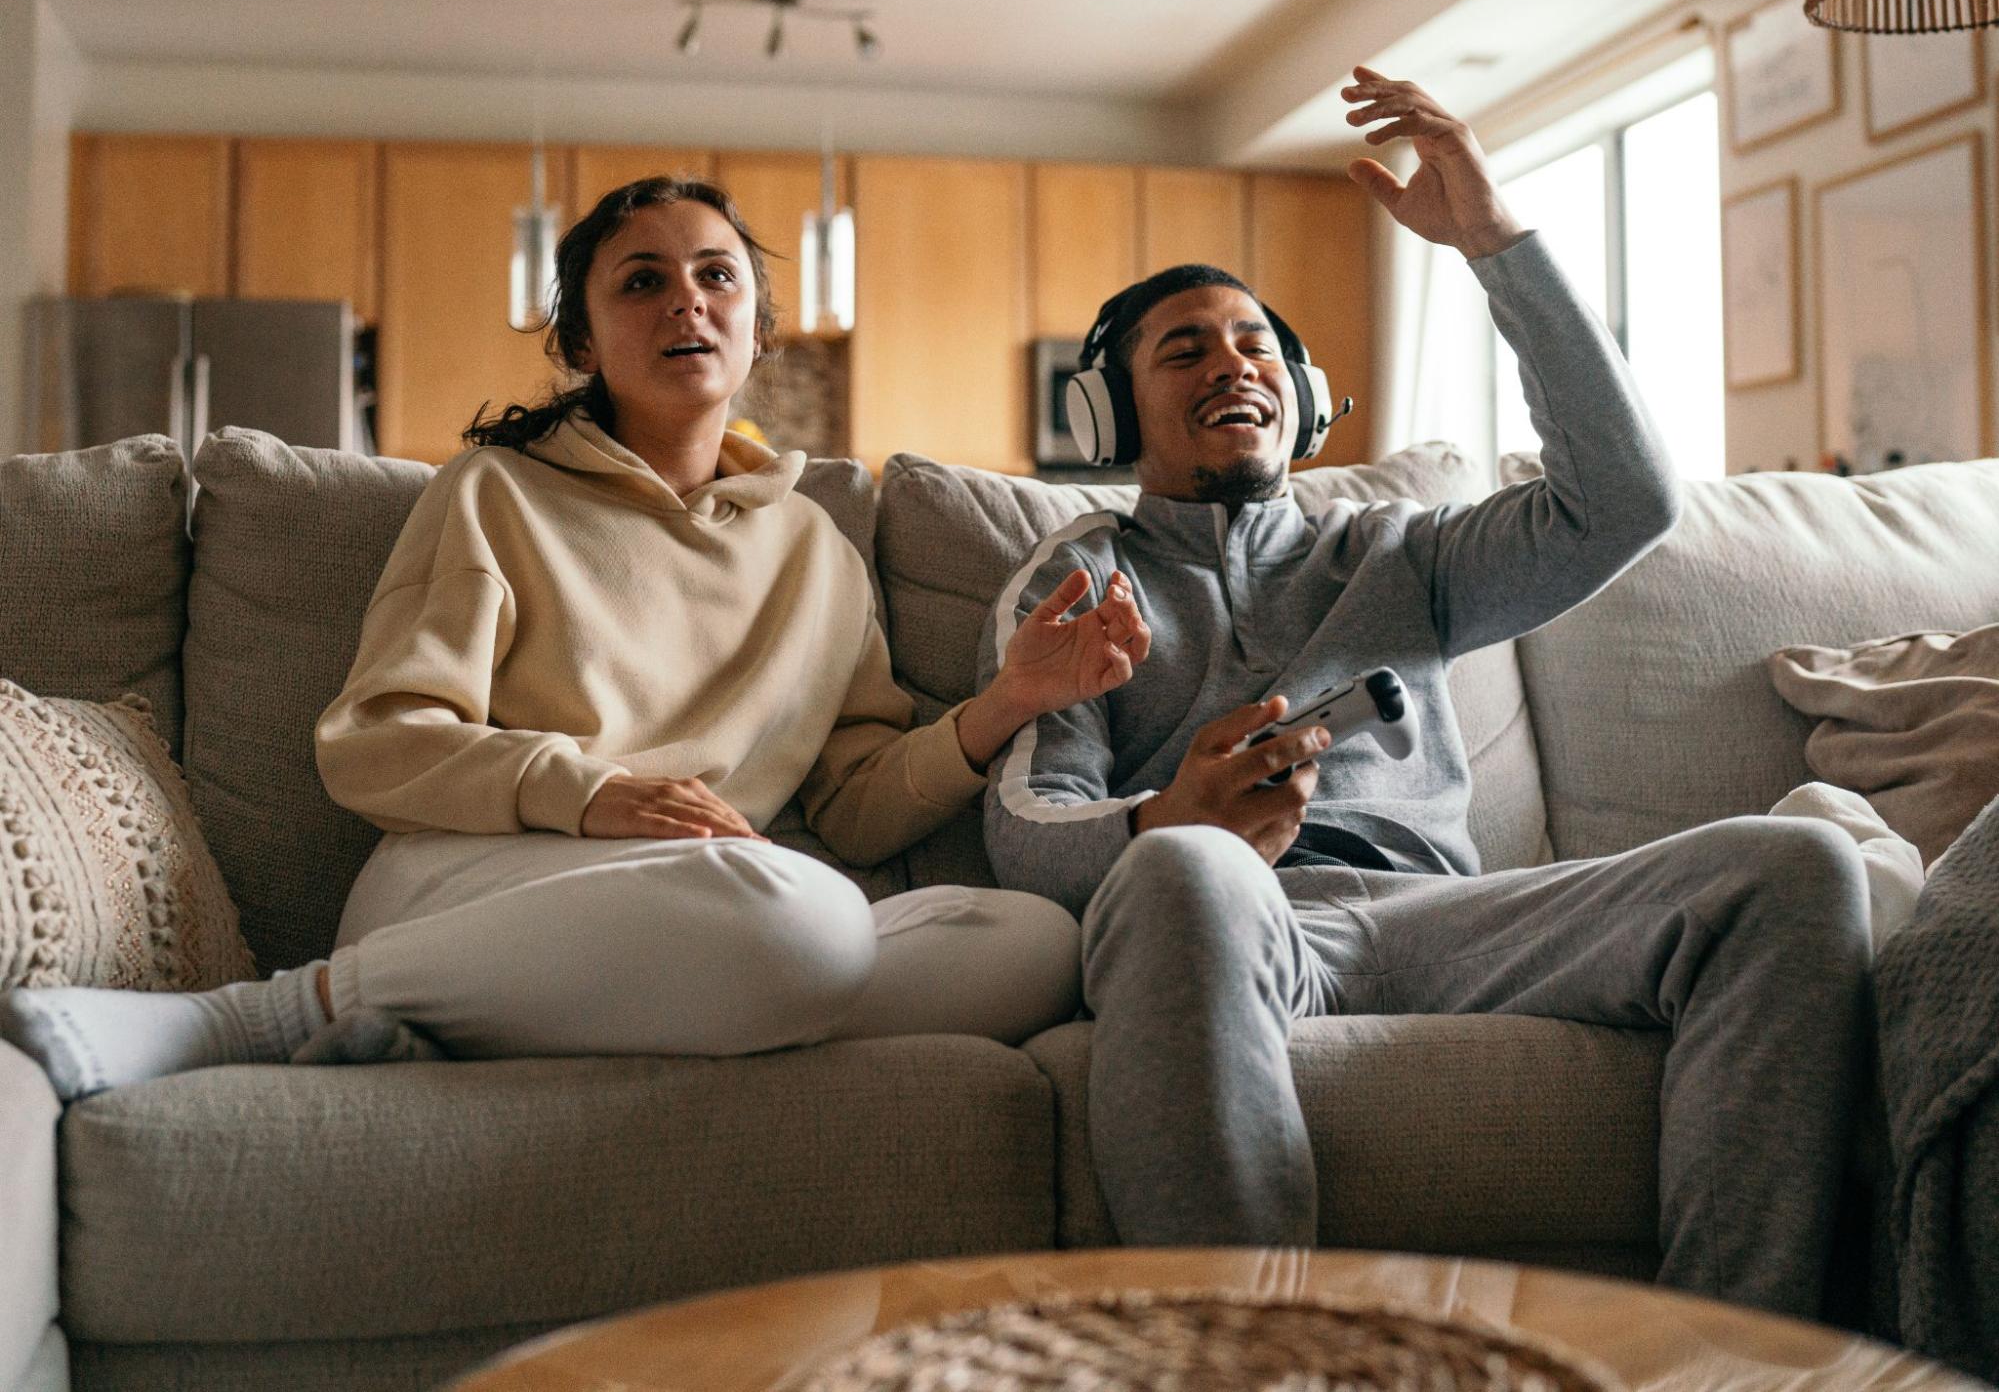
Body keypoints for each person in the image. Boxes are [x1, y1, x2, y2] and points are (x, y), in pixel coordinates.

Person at [978, 67, 1872, 1321]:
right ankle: (1256, 1353)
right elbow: (1026, 823)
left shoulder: (1403, 551)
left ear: (1302, 399)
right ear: (1110, 410)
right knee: (1190, 870)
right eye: (1183, 351)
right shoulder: (1075, 579)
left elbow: (1624, 502)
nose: (1232, 365)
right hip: (1234, 920)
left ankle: (1727, 1356)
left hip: (1453, 918)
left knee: (1795, 870)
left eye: (1256, 347)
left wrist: (1498, 247)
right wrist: (1165, 817)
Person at [2, 175, 1151, 1099]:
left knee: (1031, 942)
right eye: (642, 282)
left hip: (701, 908)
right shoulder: (497, 494)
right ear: (585, 340)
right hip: (475, 885)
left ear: (757, 329)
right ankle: (268, 1013)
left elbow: (852, 802)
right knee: (800, 920)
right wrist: (592, 794)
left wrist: (1006, 701)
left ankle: (513, 1033)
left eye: (715, 277)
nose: (685, 302)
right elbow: (376, 743)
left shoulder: (816, 553)